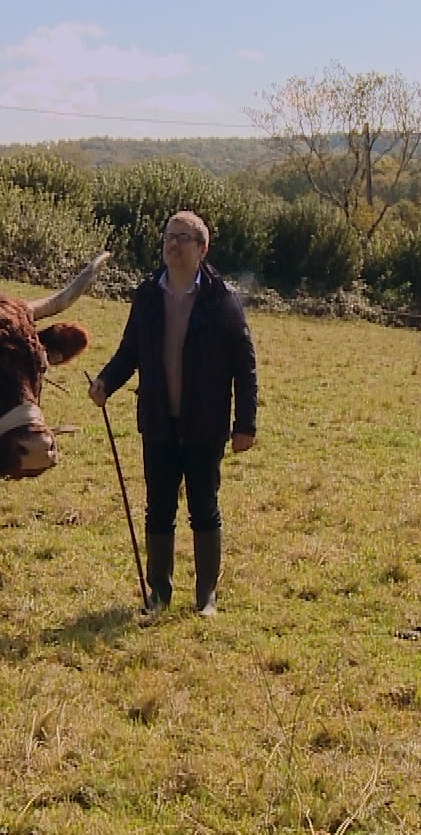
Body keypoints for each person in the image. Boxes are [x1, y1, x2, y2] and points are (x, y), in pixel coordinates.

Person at [90, 211, 258, 615]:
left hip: (206, 424)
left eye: (183, 238)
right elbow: (130, 350)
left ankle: (206, 597)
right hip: (159, 421)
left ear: (203, 248)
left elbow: (244, 365)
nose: (173, 245)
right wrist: (105, 382)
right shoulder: (147, 295)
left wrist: (245, 424)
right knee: (159, 507)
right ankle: (160, 594)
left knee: (204, 506)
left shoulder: (223, 300)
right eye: (169, 237)